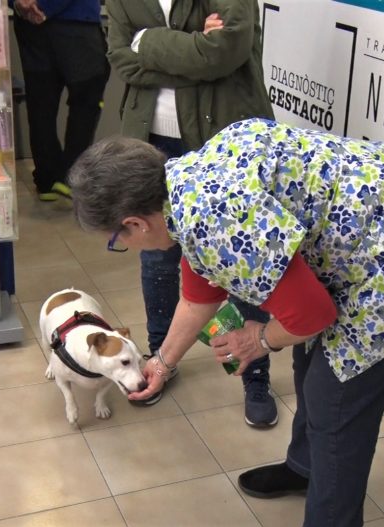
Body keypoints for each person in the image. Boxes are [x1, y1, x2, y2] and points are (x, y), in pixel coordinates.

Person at [68, 118, 384, 527]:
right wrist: (160, 363)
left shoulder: (217, 219)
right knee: (310, 361)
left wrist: (259, 338)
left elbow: (312, 316)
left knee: (334, 400)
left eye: (115, 240)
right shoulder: (181, 188)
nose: (121, 246)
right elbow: (200, 295)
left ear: (135, 224)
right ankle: (305, 468)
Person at [104, 0, 278, 425]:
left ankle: (254, 372)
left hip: (224, 140)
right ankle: (162, 356)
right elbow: (122, 59)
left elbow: (228, 51)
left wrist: (150, 43)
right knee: (158, 257)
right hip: (151, 143)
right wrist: (194, 47)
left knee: (242, 260)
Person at [12, 0, 110, 201]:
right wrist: (45, 6)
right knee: (86, 101)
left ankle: (47, 179)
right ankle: (69, 177)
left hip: (31, 25)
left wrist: (20, 3)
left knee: (40, 104)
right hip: (76, 22)